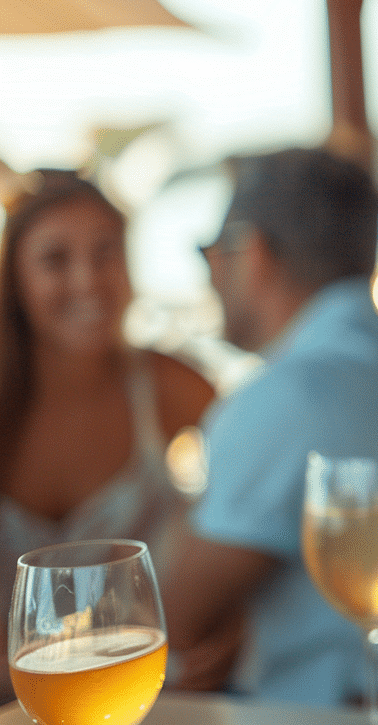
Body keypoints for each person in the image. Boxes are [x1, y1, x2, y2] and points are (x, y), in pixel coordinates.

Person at [161, 148, 378, 707]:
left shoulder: (283, 396)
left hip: (359, 709)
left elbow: (173, 621)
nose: (208, 272)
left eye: (209, 251)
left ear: (251, 254)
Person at [0, 170, 215, 698]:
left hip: (140, 699)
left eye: (106, 253)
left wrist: (239, 626)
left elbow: (263, 493)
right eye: (55, 259)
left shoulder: (167, 385)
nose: (88, 279)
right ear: (14, 278)